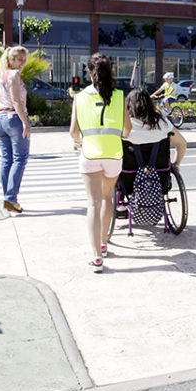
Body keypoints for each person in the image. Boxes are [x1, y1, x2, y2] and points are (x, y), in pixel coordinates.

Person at [70, 53, 132, 273]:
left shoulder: (79, 97)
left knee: (93, 203)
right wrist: (119, 136)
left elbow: (73, 132)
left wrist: (79, 142)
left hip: (90, 154)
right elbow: (128, 128)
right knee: (107, 198)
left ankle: (97, 257)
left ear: (89, 72)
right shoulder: (119, 96)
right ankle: (104, 244)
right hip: (114, 153)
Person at [0, 46, 31, 214]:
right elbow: (16, 101)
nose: (22, 63)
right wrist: (25, 122)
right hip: (14, 118)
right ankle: (10, 198)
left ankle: (8, 198)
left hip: (0, 119)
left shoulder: (0, 74)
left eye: (24, 59)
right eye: (19, 59)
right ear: (11, 59)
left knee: (7, 159)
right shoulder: (15, 75)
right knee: (20, 158)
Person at [124, 88, 187, 169]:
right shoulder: (162, 124)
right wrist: (176, 164)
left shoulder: (124, 125)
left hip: (128, 175)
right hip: (160, 174)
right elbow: (182, 143)